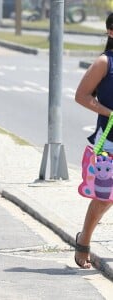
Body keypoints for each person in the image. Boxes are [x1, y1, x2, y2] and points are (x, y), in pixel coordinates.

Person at [74, 13, 113, 269]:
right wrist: (110, 113)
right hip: (110, 140)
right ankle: (84, 241)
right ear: (111, 32)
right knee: (105, 198)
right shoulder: (104, 62)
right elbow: (82, 96)